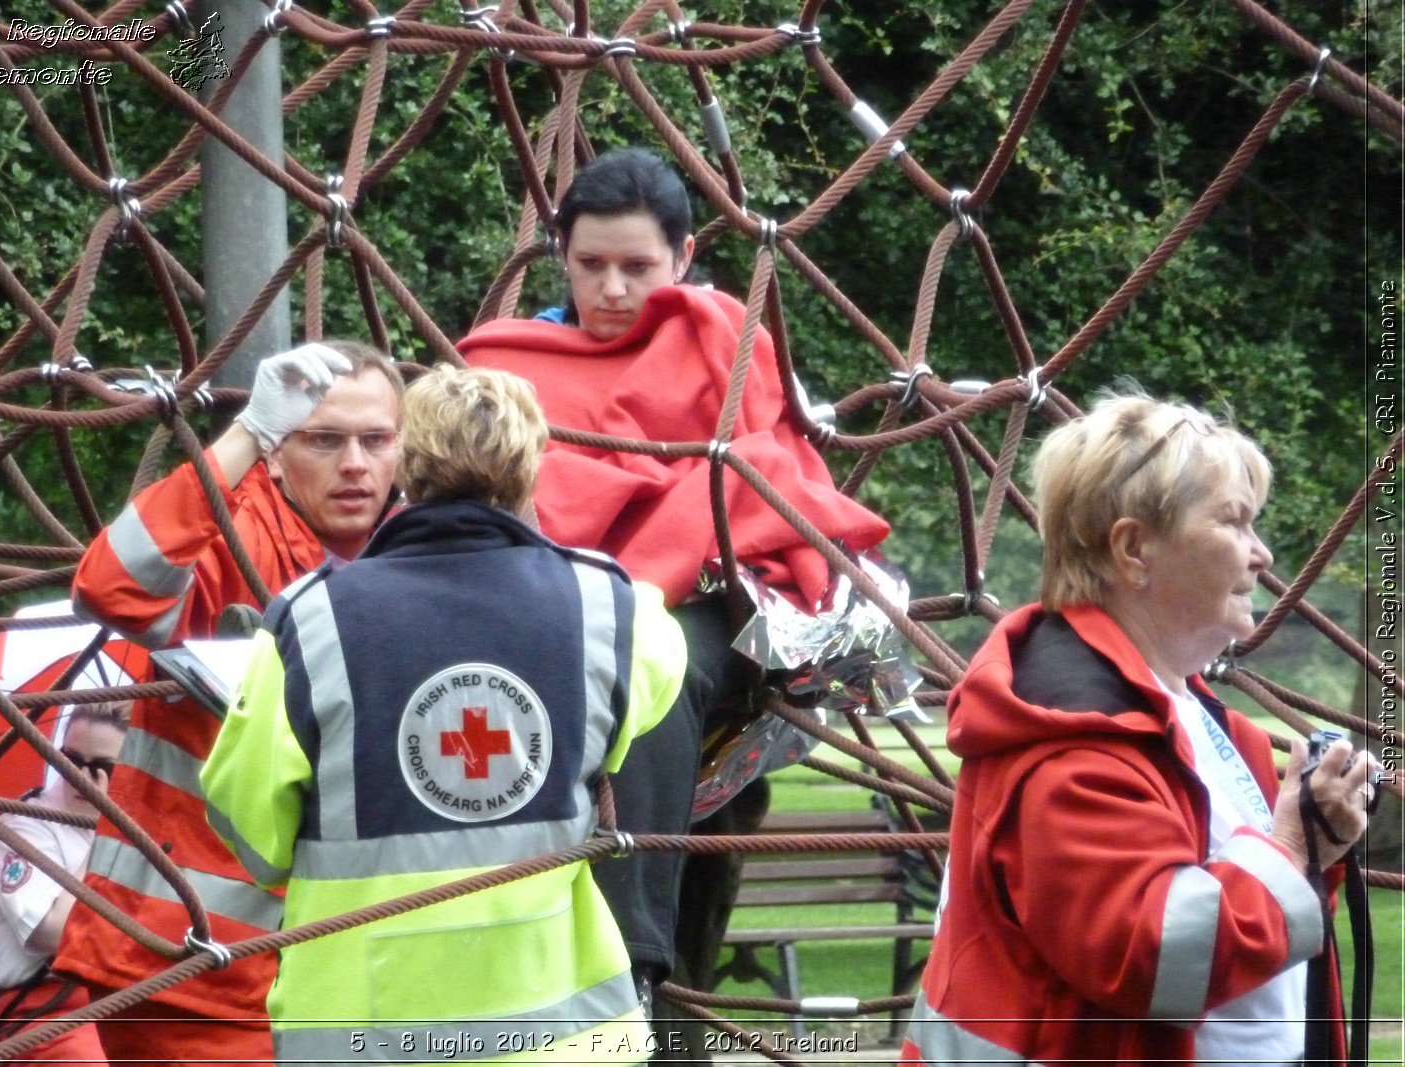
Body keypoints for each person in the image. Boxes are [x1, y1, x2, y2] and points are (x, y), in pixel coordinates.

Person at [459, 148, 891, 1005]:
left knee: (653, 665)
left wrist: (681, 537)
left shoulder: (724, 346)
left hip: (700, 607)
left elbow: (769, 471)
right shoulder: (510, 366)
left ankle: (636, 963)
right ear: (561, 257)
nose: (613, 288)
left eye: (637, 266)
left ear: (684, 258)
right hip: (553, 616)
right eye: (591, 265)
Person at [200, 365, 687, 1064]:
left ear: (406, 468)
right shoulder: (614, 609)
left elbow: (253, 834)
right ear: (532, 467)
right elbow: (647, 693)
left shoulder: (311, 621)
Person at [902, 392, 1378, 1065]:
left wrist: (1313, 848)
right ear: (1133, 549)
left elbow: (1255, 944)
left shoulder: (1203, 721)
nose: (1262, 554)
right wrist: (1294, 845)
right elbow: (1153, 957)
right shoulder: (1067, 739)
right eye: (1233, 523)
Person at [56, 341, 404, 1065]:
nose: (354, 464)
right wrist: (244, 434)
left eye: (376, 440)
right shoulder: (237, 531)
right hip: (186, 964)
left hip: (334, 973)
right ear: (278, 453)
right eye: (323, 439)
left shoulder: (417, 556)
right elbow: (109, 585)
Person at [0, 702, 128, 1064]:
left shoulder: (147, 833)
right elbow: (55, 933)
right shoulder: (21, 826)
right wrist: (111, 834)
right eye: (71, 760)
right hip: (49, 1013)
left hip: (128, 1005)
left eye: (103, 767)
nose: (82, 777)